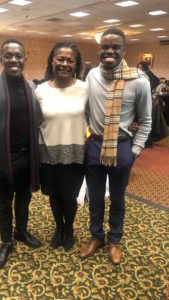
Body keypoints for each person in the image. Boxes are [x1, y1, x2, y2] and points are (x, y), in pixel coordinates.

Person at [79, 28, 152, 264]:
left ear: (124, 50)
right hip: (95, 145)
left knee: (118, 199)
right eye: (105, 47)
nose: (109, 51)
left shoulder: (139, 81)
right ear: (100, 49)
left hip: (122, 148)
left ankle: (115, 240)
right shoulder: (92, 76)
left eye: (115, 47)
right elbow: (88, 109)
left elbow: (146, 119)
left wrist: (136, 149)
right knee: (96, 197)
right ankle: (96, 237)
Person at [0, 38, 41, 271]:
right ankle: (5, 242)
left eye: (18, 55)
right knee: (4, 203)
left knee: (24, 199)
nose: (14, 59)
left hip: (27, 156)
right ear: (1, 59)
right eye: (8, 55)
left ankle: (21, 231)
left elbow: (37, 120)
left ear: (24, 58)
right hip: (3, 159)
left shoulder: (31, 86)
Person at [35, 41, 88, 250]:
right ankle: (59, 228)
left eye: (70, 60)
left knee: (69, 195)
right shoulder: (40, 91)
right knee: (54, 194)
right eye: (60, 59)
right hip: (47, 153)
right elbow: (36, 123)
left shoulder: (85, 89)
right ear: (52, 61)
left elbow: (95, 119)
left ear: (76, 64)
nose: (64, 63)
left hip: (75, 154)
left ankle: (70, 229)